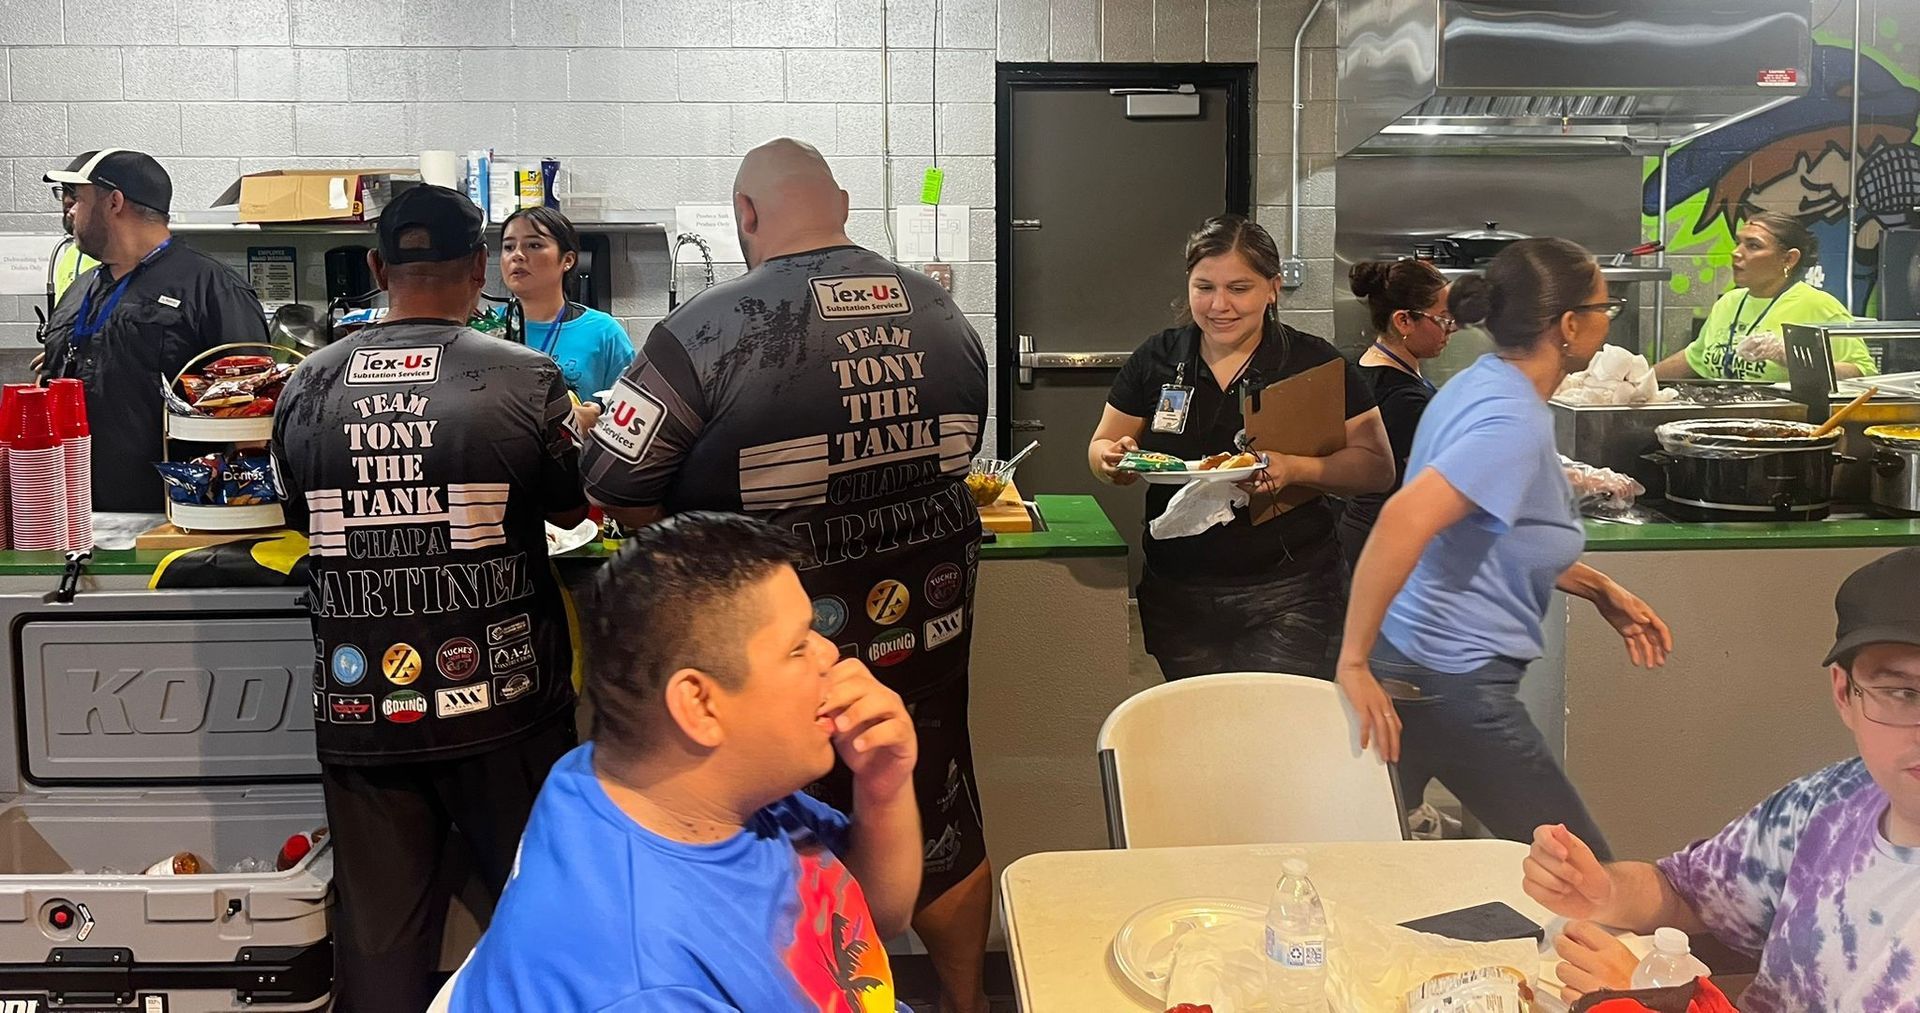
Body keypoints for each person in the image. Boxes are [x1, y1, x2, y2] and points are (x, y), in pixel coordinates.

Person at [578, 138, 993, 1013]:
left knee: (780, 840)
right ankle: (966, 1000)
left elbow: (608, 479)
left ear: (747, 216)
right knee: (939, 804)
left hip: (775, 655)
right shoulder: (948, 314)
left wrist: (693, 544)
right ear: (840, 201)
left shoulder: (707, 330)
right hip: (927, 624)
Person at [269, 184, 587, 1013]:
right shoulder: (528, 377)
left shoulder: (304, 386)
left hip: (362, 706)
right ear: (480, 268)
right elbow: (568, 506)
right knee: (545, 923)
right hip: (505, 702)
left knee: (378, 950)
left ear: (376, 268)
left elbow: (301, 515)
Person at [452, 512, 921, 1012]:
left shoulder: (666, 781)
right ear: (699, 705)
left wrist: (883, 785)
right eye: (798, 646)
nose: (830, 655)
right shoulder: (643, 984)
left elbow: (873, 920)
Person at [1336, 238, 1673, 860]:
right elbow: (1403, 521)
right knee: (1585, 877)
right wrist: (1352, 663)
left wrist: (1599, 587)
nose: (1609, 318)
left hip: (1422, 669)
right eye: (1606, 305)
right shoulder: (1511, 420)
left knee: (1351, 857)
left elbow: (1486, 534)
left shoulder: (1484, 384)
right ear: (1569, 325)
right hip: (1452, 680)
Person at [1527, 547, 1920, 1009]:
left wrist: (1663, 998)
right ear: (1844, 694)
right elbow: (1688, 894)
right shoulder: (1829, 803)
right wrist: (1604, 891)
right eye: (1901, 693)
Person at [1088, 214, 1394, 680]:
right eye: (1204, 287)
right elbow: (1101, 446)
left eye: (1239, 288)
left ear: (1272, 288)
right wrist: (1112, 461)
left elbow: (1376, 467)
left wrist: (1294, 469)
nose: (1219, 306)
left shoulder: (1314, 363)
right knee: (1203, 733)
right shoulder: (1159, 357)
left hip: (1290, 589)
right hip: (1178, 592)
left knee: (1269, 733)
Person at [37, 149, 270, 511]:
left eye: (76, 197)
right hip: (71, 511)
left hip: (170, 515)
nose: (67, 209)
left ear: (114, 202)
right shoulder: (80, 290)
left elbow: (252, 415)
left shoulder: (211, 289)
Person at [1652, 212, 1873, 382]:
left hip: (1783, 426)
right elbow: (1694, 358)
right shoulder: (1729, 302)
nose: (1736, 252)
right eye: (1739, 242)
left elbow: (1863, 374)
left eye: (1753, 246)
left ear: (1788, 259)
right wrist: (1637, 380)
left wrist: (1790, 357)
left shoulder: (1819, 306)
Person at [1337, 259, 1456, 570]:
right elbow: (1436, 482)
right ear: (1404, 321)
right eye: (1443, 319)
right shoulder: (1403, 398)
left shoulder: (1365, 368)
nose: (1451, 328)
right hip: (1386, 542)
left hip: (1365, 531)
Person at [499, 205, 635, 421]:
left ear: (568, 260)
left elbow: (633, 409)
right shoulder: (487, 329)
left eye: (534, 245)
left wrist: (596, 418)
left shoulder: (603, 332)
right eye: (508, 247)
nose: (517, 255)